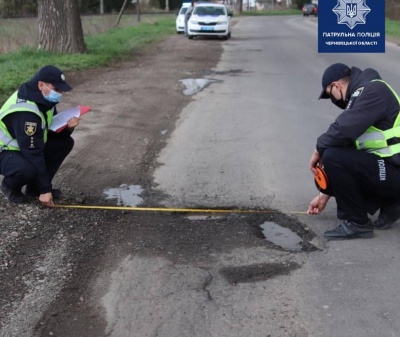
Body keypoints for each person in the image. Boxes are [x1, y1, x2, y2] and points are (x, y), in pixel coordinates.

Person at [307, 63, 400, 240]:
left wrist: (318, 149)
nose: (333, 100)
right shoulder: (365, 93)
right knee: (334, 163)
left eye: (329, 94)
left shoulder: (372, 91)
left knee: (332, 155)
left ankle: (358, 223)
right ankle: (392, 202)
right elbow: (347, 142)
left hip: (394, 168)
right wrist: (324, 195)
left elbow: (342, 129)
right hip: (391, 167)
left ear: (336, 85)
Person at [0, 65, 80, 207]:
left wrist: (67, 128)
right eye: (56, 89)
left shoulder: (44, 98)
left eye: (61, 89)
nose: (60, 93)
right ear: (41, 85)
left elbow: (49, 131)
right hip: (5, 150)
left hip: (23, 145)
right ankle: (10, 187)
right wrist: (46, 189)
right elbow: (33, 153)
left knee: (65, 143)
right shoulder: (26, 113)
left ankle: (34, 189)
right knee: (26, 169)